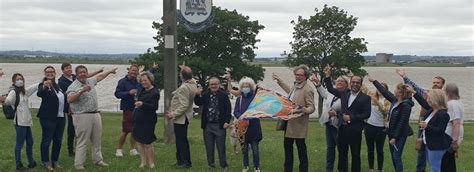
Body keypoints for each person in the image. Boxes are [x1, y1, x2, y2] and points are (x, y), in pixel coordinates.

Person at [66, 65, 117, 170]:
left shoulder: (90, 81)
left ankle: (98, 160)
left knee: (97, 140)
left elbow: (100, 77)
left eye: (84, 72)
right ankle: (79, 164)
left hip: (95, 114)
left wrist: (109, 71)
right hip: (82, 116)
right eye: (80, 72)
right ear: (76, 74)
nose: (83, 74)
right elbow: (69, 99)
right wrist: (81, 91)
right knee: (82, 141)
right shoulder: (73, 86)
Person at [396, 69, 445, 172]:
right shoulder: (428, 93)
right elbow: (416, 89)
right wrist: (404, 77)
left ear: (442, 84)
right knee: (421, 153)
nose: (435, 84)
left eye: (438, 83)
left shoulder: (444, 98)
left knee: (436, 163)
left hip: (436, 135)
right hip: (424, 129)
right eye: (434, 82)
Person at [323, 66, 371, 172]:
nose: (355, 84)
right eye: (353, 82)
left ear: (361, 84)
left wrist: (351, 117)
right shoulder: (344, 93)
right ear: (350, 83)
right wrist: (327, 76)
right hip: (342, 129)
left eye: (357, 82)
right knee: (342, 154)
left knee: (355, 154)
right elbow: (330, 89)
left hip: (355, 130)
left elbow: (367, 114)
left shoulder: (365, 98)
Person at [368, 74, 416, 172]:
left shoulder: (406, 105)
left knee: (396, 156)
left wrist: (395, 137)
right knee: (394, 156)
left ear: (400, 93)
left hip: (400, 135)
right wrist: (374, 81)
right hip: (391, 133)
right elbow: (384, 92)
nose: (394, 90)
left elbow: (402, 123)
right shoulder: (395, 101)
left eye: (396, 89)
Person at [273, 64, 315, 172]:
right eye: (296, 74)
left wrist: (304, 110)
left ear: (305, 76)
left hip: (299, 125)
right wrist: (279, 81)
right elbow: (289, 91)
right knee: (288, 150)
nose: (298, 77)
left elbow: (312, 107)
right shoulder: (296, 86)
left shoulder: (307, 89)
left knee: (301, 150)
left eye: (300, 75)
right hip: (288, 123)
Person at [58, 62, 103, 157]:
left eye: (70, 68)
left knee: (82, 133)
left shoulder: (74, 77)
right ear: (63, 70)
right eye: (66, 68)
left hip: (88, 111)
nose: (69, 69)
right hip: (72, 109)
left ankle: (96, 158)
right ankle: (71, 150)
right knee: (72, 130)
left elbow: (87, 76)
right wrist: (70, 108)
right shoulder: (62, 81)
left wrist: (98, 71)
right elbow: (68, 97)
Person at [310, 73, 348, 172]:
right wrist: (317, 82)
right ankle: (329, 169)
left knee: (341, 149)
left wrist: (337, 113)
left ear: (346, 84)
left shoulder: (347, 95)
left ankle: (342, 169)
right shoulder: (332, 93)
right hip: (329, 124)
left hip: (339, 126)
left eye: (342, 81)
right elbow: (323, 93)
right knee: (330, 148)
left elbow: (348, 110)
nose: (339, 82)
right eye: (338, 80)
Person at [1, 73, 39, 170]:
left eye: (21, 79)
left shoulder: (24, 92)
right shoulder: (13, 92)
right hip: (19, 122)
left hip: (27, 121)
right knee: (19, 143)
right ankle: (18, 164)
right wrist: (3, 99)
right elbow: (8, 101)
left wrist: (41, 82)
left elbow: (33, 88)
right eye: (17, 79)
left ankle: (31, 162)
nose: (20, 81)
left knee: (30, 142)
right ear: (14, 81)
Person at [194, 77, 231, 169]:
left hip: (220, 125)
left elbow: (228, 109)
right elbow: (198, 102)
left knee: (221, 147)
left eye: (215, 84)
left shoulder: (224, 95)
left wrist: (227, 121)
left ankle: (223, 165)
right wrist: (197, 94)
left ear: (218, 85)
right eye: (212, 84)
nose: (214, 86)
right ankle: (211, 164)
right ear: (209, 85)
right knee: (209, 146)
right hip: (208, 125)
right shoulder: (206, 95)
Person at [165, 65, 197, 168]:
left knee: (181, 140)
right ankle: (180, 160)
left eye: (180, 73)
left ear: (182, 76)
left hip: (181, 118)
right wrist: (184, 69)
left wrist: (172, 114)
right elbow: (182, 90)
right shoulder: (192, 83)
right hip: (186, 117)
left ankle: (185, 162)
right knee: (181, 139)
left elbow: (184, 105)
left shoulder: (184, 87)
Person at [37, 66, 67, 170]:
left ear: (55, 73)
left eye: (52, 71)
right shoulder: (43, 84)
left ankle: (55, 161)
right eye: (47, 72)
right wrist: (45, 86)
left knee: (58, 140)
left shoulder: (57, 86)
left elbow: (63, 99)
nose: (50, 73)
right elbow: (39, 93)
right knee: (47, 140)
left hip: (61, 117)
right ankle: (45, 162)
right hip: (48, 118)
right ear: (45, 74)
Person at [414, 89, 451, 172]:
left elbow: (440, 130)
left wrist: (427, 126)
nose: (428, 100)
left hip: (436, 145)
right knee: (432, 166)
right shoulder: (431, 110)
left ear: (436, 99)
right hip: (428, 143)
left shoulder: (443, 114)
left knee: (435, 168)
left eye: (430, 98)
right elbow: (423, 103)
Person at [233, 77, 262, 172]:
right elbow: (236, 111)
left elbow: (258, 111)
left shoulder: (255, 98)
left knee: (255, 150)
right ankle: (245, 166)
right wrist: (241, 117)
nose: (245, 88)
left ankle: (256, 166)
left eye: (247, 86)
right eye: (244, 86)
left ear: (251, 87)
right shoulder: (239, 99)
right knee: (244, 150)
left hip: (254, 127)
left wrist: (249, 117)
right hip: (243, 128)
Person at [132, 72, 160, 168]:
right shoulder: (141, 90)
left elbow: (154, 107)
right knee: (139, 141)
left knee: (147, 142)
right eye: (142, 81)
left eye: (145, 80)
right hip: (138, 118)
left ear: (150, 80)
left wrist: (142, 104)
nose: (143, 82)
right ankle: (143, 162)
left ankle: (151, 163)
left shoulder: (155, 92)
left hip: (148, 120)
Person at [114, 65, 141, 157]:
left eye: (136, 71)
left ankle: (133, 149)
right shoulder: (122, 82)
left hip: (137, 108)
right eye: (133, 70)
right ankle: (119, 149)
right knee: (126, 130)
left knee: (135, 129)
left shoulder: (138, 82)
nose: (134, 72)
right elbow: (117, 94)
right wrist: (128, 93)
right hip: (127, 108)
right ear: (128, 70)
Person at [364, 80, 391, 172]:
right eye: (378, 87)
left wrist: (378, 103)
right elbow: (364, 89)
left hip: (381, 127)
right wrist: (352, 76)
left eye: (382, 87)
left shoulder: (388, 101)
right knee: (370, 149)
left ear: (386, 90)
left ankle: (380, 169)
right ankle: (371, 168)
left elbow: (386, 111)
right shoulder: (372, 96)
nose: (379, 89)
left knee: (380, 150)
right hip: (369, 126)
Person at [441, 83, 464, 171]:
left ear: (448, 93)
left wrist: (454, 141)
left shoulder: (451, 104)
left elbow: (456, 123)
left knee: (446, 162)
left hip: (450, 137)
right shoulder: (458, 103)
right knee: (449, 160)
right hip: (452, 135)